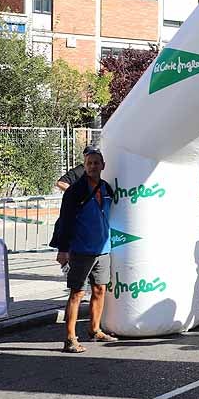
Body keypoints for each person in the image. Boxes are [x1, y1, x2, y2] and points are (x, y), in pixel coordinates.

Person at [54, 149, 116, 353]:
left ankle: (95, 329)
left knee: (100, 290)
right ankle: (70, 338)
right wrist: (63, 249)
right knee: (77, 293)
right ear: (84, 165)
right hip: (81, 249)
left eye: (96, 163)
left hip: (103, 249)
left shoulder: (106, 188)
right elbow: (65, 221)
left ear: (103, 165)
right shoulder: (75, 191)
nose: (93, 166)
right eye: (89, 163)